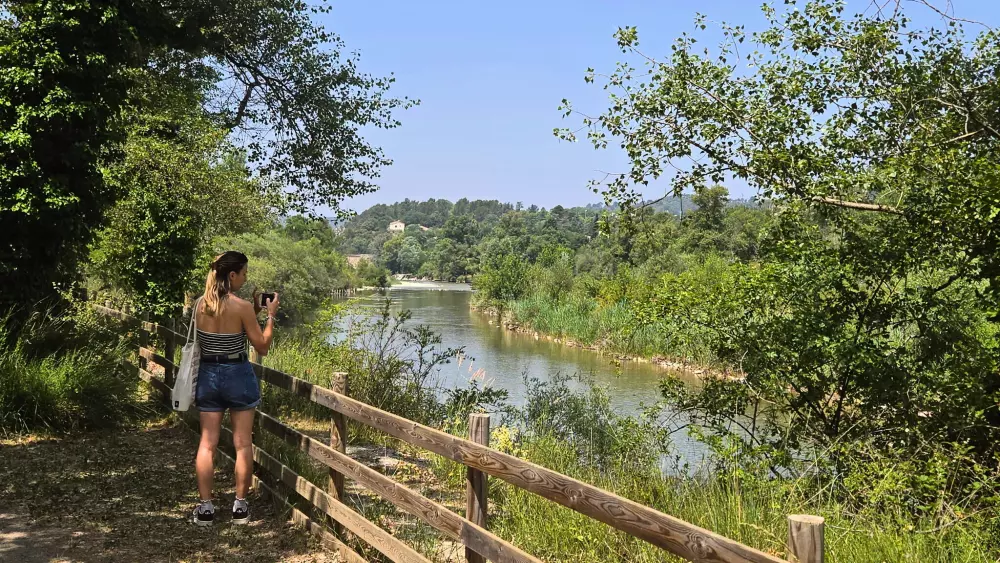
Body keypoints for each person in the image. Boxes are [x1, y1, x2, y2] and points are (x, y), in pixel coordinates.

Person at [190, 251, 279, 526]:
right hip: (237, 374)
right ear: (232, 275)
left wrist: (251, 309)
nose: (246, 277)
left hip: (208, 375)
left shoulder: (199, 305)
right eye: (244, 273)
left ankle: (206, 509)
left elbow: (222, 328)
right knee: (242, 444)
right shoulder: (239, 307)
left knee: (207, 444)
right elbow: (261, 346)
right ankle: (240, 507)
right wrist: (270, 316)